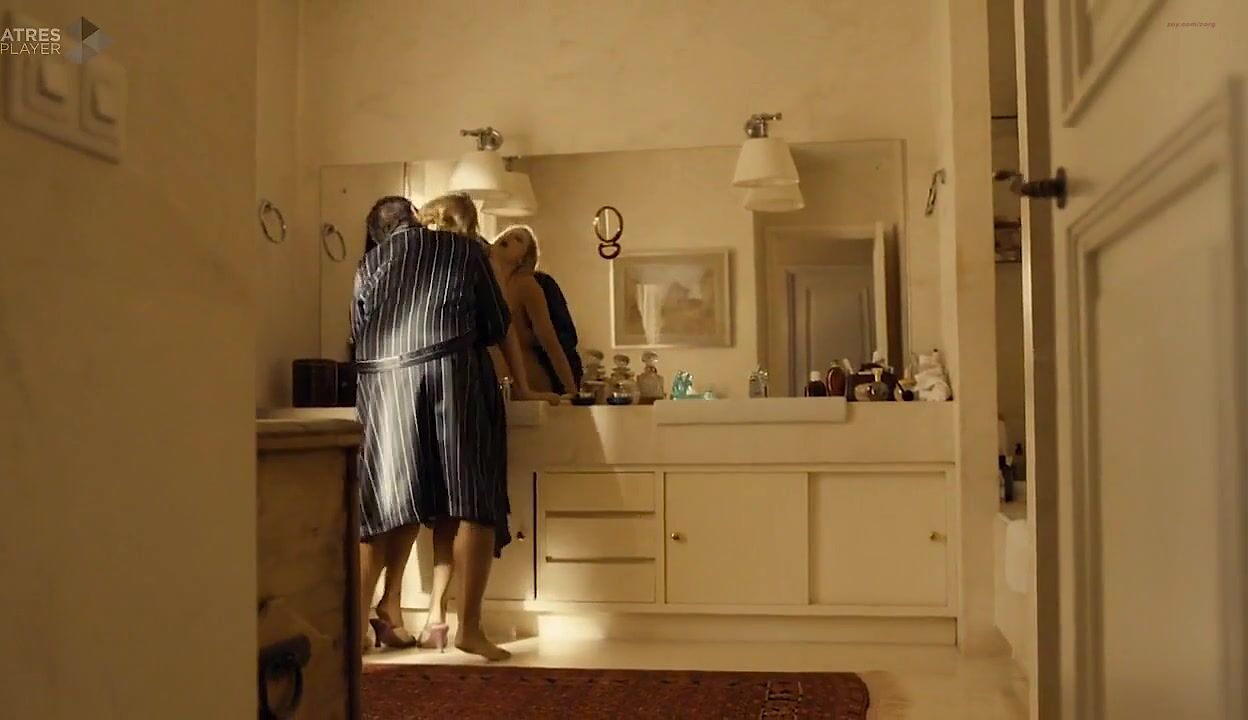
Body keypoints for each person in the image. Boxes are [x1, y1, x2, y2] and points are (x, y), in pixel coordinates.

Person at [352, 195, 516, 661]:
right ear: (414, 218)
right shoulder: (464, 249)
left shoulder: (368, 265)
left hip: (382, 382)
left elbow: (358, 331)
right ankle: (470, 629)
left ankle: (355, 629)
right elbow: (496, 323)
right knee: (471, 500)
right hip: (450, 371)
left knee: (380, 507)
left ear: (380, 235)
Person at [490, 225, 582, 394]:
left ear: (523, 259)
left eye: (518, 239)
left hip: (529, 380)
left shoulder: (526, 285)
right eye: (507, 234)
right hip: (493, 382)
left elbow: (549, 340)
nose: (508, 238)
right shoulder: (484, 281)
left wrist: (571, 389)